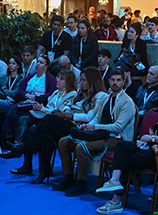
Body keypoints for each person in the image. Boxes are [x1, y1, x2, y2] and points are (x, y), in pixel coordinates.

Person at [95, 85, 158, 215]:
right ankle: (114, 181)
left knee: (128, 160)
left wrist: (152, 138)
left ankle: (116, 200)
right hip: (155, 149)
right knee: (122, 146)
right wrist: (146, 141)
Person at [7, 68, 108, 183]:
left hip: (78, 126)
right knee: (45, 134)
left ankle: (22, 148)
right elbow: (70, 105)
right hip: (71, 122)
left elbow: (89, 117)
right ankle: (44, 171)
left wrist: (69, 116)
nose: (82, 82)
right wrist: (67, 111)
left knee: (48, 120)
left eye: (84, 80)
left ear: (92, 81)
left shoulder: (101, 96)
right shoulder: (83, 93)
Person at [56, 69, 136, 197]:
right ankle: (68, 177)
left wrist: (95, 127)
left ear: (124, 82)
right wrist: (87, 126)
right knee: (63, 142)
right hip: (101, 134)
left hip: (117, 139)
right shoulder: (107, 98)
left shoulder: (127, 102)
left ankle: (81, 182)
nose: (115, 83)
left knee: (81, 146)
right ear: (109, 81)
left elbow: (118, 127)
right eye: (113, 80)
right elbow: (97, 116)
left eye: (119, 80)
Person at [5, 70, 76, 174]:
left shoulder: (72, 95)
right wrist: (39, 107)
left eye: (61, 79)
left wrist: (42, 109)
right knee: (25, 119)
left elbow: (58, 113)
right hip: (46, 119)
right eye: (58, 77)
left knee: (33, 129)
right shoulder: (56, 92)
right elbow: (49, 108)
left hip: (59, 124)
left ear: (68, 82)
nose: (57, 80)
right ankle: (23, 157)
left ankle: (20, 149)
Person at [1, 56, 56, 146]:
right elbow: (20, 91)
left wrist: (37, 97)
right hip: (25, 102)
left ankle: (18, 143)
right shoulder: (30, 77)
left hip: (38, 105)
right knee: (11, 114)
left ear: (46, 66)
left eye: (41, 62)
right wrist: (26, 95)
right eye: (38, 62)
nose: (38, 64)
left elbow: (51, 94)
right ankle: (6, 138)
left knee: (23, 118)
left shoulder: (51, 79)